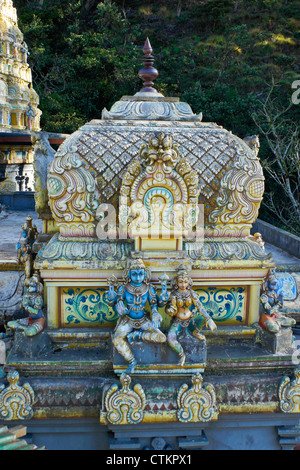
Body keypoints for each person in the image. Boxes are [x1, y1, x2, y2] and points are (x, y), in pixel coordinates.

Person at [107, 258, 169, 373]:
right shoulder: (124, 288)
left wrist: (155, 313)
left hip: (143, 320)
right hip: (128, 320)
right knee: (117, 339)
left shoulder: (149, 288)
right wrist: (118, 307)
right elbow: (117, 303)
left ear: (145, 274)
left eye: (141, 274)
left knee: (162, 338)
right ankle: (131, 361)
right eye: (134, 274)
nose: (138, 277)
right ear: (129, 274)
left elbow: (154, 305)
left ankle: (138, 335)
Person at [166, 268, 217, 366]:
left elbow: (200, 307)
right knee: (170, 338)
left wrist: (209, 319)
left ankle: (195, 331)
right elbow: (171, 310)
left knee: (203, 318)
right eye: (180, 282)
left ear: (189, 282)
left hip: (190, 321)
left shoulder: (191, 293)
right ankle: (181, 355)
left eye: (185, 282)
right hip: (178, 322)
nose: (183, 285)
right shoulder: (174, 295)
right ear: (176, 282)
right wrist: (171, 310)